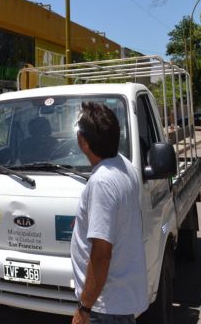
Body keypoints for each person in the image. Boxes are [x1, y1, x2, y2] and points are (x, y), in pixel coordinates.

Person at [71, 102, 148, 324]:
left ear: (83, 142)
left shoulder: (101, 183)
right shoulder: (123, 165)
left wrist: (84, 308)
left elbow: (102, 254)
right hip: (117, 303)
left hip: (104, 308)